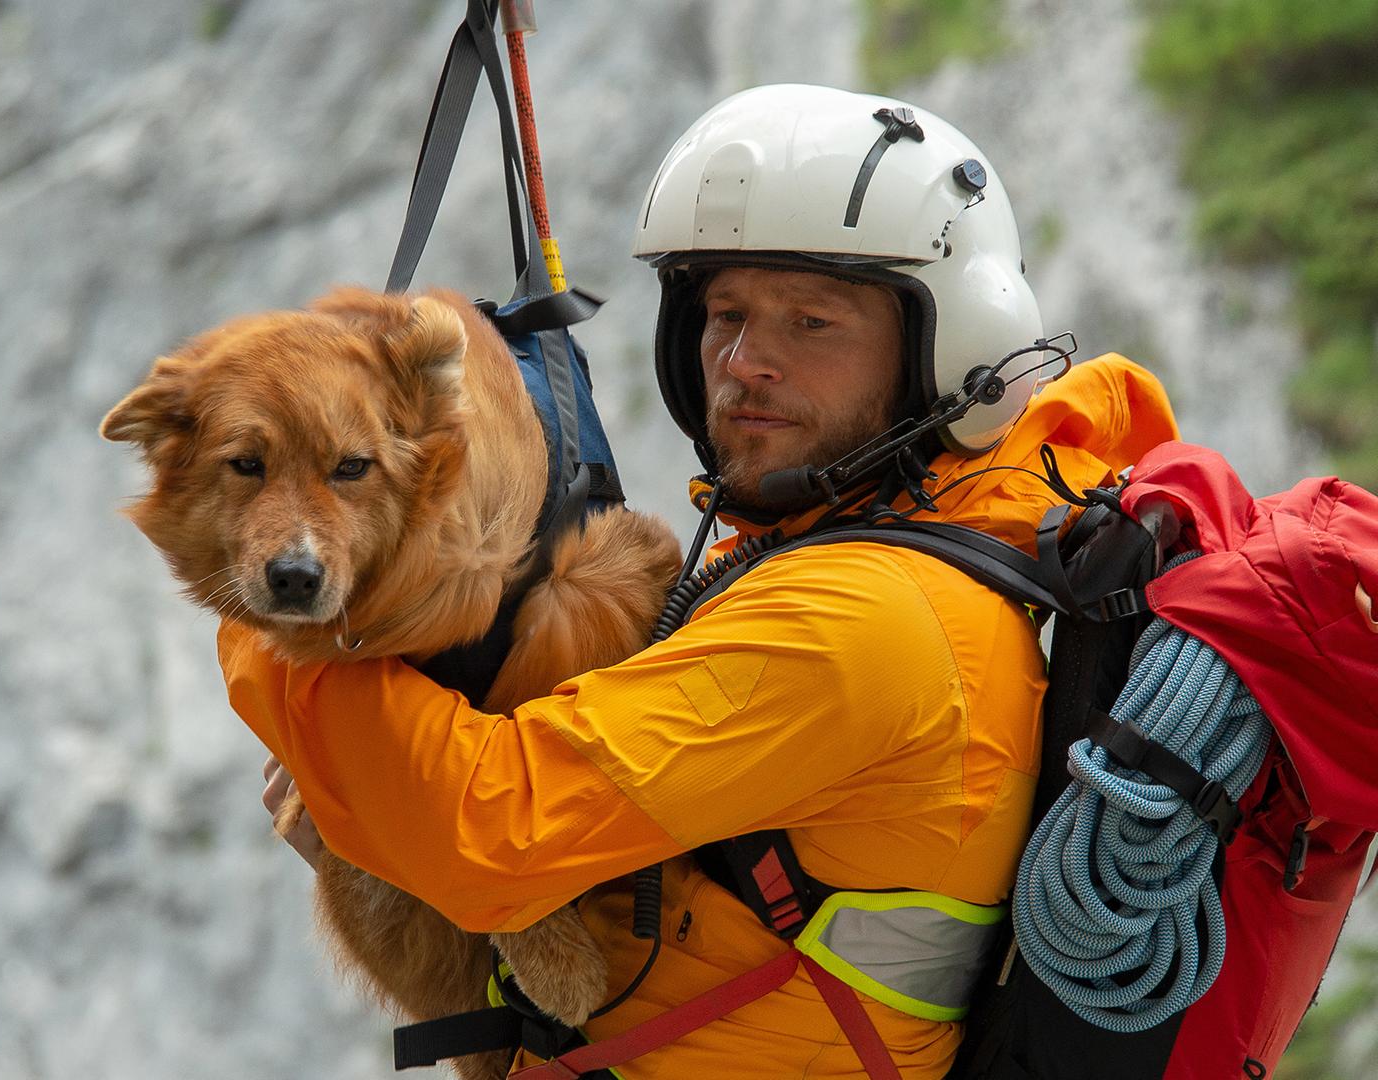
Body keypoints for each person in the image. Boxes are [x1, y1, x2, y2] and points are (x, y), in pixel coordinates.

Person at [222, 84, 1180, 1078]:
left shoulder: (870, 619)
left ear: (953, 351)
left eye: (812, 322)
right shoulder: (835, 555)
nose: (745, 361)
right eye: (724, 313)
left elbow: (491, 830)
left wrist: (267, 594)